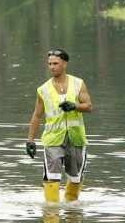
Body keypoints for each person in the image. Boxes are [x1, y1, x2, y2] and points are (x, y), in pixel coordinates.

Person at [26, 48, 93, 203]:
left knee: (76, 178)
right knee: (51, 177)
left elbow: (89, 106)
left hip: (76, 139)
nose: (52, 67)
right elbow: (37, 115)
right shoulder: (43, 89)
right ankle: (51, 216)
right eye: (49, 64)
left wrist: (74, 106)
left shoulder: (78, 84)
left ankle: (71, 212)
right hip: (53, 140)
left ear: (64, 64)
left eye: (55, 63)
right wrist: (30, 140)